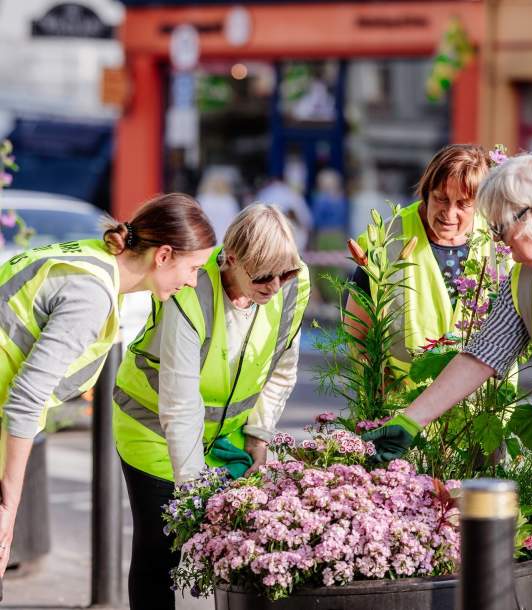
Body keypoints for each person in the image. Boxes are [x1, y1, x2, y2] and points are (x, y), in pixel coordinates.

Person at [364, 153, 532, 609]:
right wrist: (410, 421)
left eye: (500, 228)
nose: (496, 241)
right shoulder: (527, 277)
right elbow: (483, 355)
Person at [0, 192, 215, 576]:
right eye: (194, 267)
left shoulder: (88, 257)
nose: (193, 281)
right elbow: (25, 399)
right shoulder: (92, 295)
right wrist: (9, 507)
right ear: (163, 255)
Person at [112, 204, 310, 610]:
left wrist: (258, 436)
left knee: (241, 547)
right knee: (162, 545)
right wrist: (192, 491)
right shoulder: (191, 290)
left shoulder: (292, 286)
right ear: (230, 259)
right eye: (262, 275)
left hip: (225, 434)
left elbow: (280, 367)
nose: (274, 286)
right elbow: (180, 404)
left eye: (284, 273)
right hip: (151, 426)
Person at [345, 144, 494, 375]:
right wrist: (376, 386)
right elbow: (357, 333)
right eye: (441, 199)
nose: (450, 213)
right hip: (403, 403)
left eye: (463, 204)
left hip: (478, 404)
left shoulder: (498, 243)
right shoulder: (387, 242)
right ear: (426, 192)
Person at [195, 168, 240, 240]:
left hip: (205, 241)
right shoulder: (229, 201)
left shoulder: (202, 199)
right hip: (224, 241)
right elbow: (235, 223)